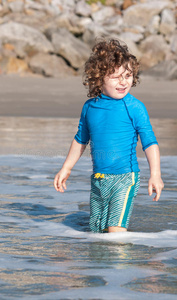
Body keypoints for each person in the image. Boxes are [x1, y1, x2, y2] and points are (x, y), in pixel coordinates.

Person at [54, 38, 164, 233]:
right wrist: (66, 168)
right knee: (97, 232)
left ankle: (122, 262)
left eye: (128, 75)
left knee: (115, 233)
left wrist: (155, 174)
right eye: (116, 77)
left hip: (125, 177)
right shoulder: (90, 107)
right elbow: (81, 140)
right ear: (98, 78)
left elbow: (149, 142)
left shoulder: (135, 107)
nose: (123, 82)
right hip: (98, 178)